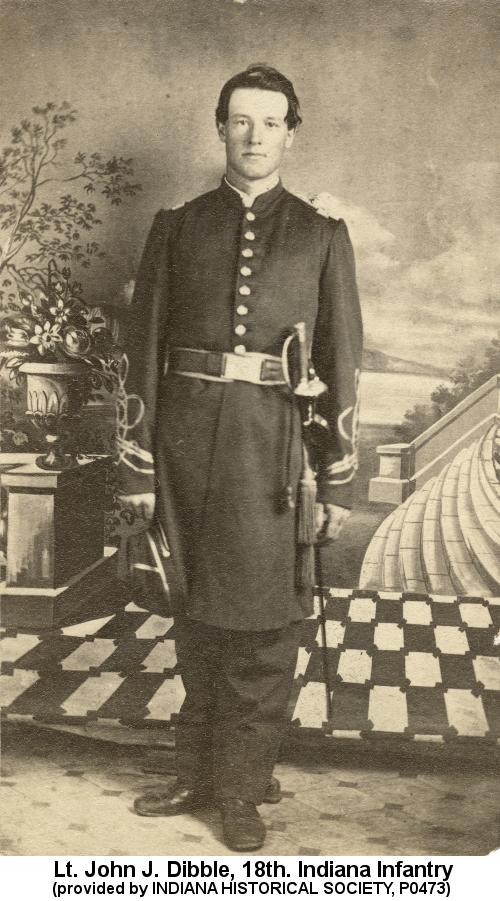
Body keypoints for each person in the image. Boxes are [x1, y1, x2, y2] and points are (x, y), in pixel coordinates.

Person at [116, 64, 362, 853]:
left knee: (261, 630)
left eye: (270, 122)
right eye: (240, 121)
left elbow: (342, 360)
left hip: (272, 459)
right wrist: (138, 469)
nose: (254, 137)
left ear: (292, 131)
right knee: (194, 618)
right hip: (183, 451)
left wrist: (335, 478)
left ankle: (241, 787)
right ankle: (196, 770)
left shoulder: (323, 236)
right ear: (220, 128)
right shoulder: (178, 226)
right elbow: (141, 350)